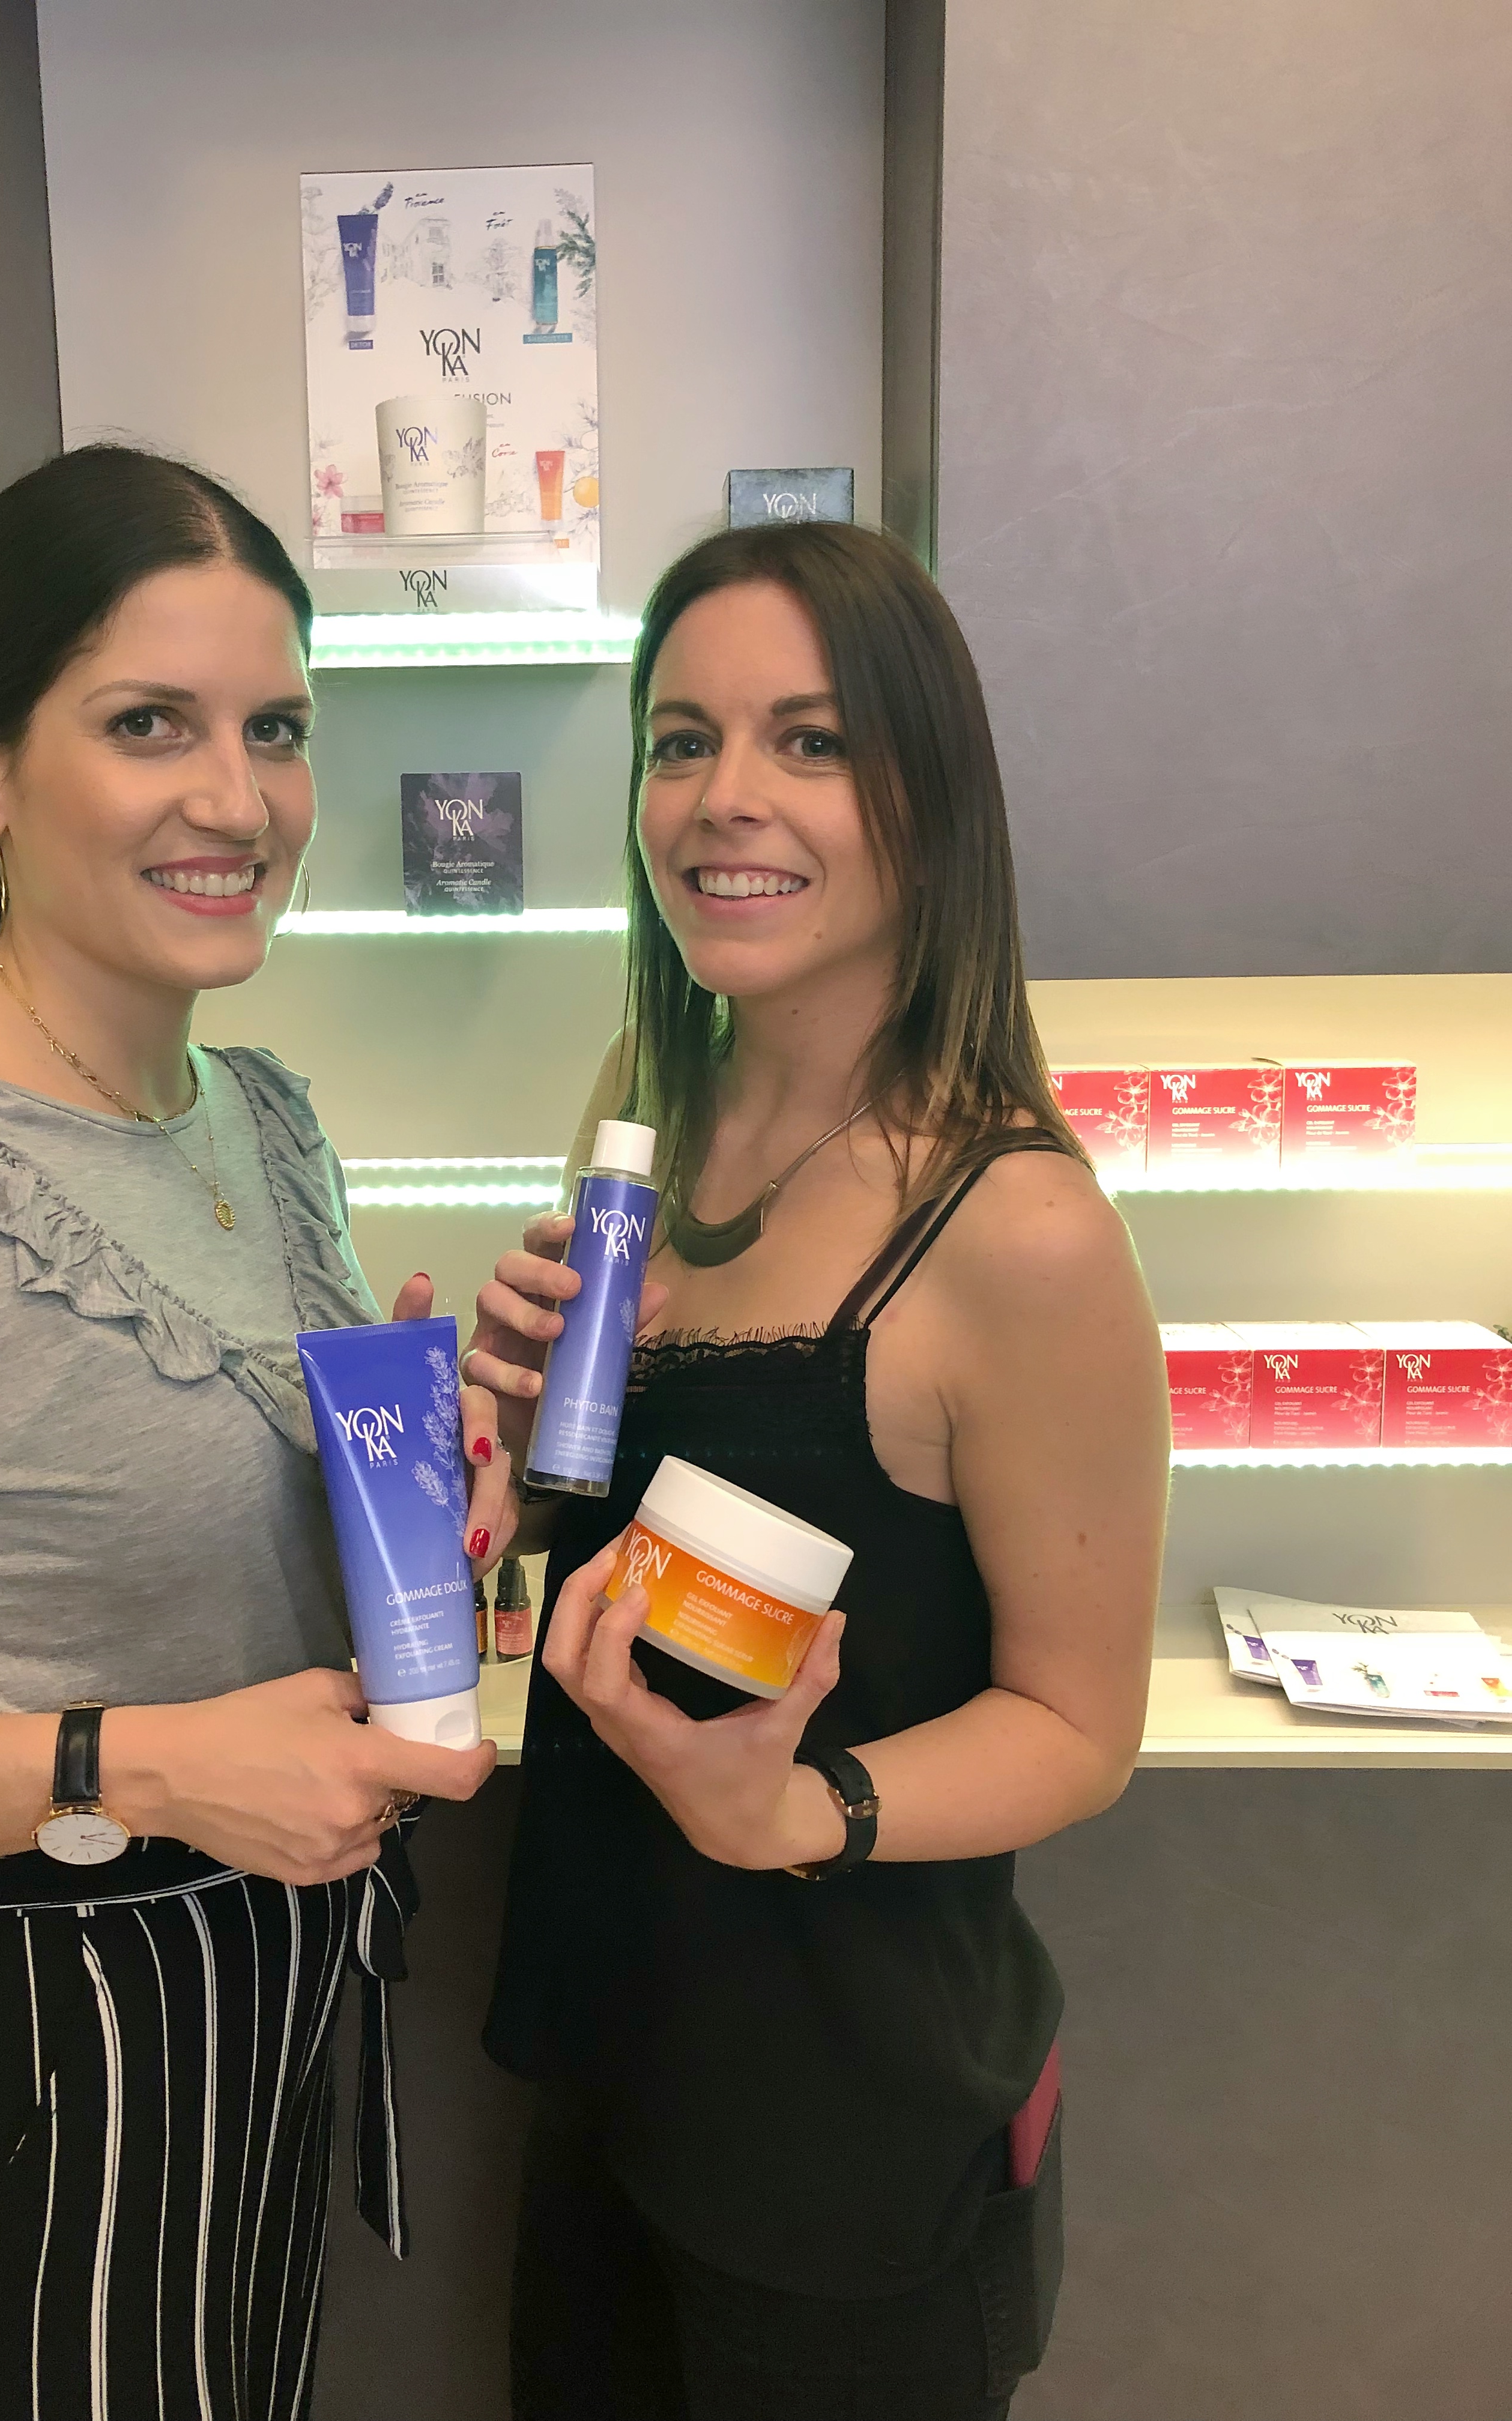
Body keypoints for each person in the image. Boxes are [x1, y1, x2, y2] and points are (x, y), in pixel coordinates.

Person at [0, 444, 514, 2420]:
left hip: (260, 2035)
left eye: (275, 729)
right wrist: (135, 1764)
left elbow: (194, 1570)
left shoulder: (266, 1122)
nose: (237, 800)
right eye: (150, 723)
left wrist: (416, 1507)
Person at [465, 521, 1170, 2420]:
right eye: (682, 741)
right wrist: (514, 1460)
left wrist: (798, 1811)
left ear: (929, 798)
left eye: (811, 741)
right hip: (612, 2057)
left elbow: (1079, 1727)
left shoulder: (1013, 1228)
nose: (726, 798)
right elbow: (615, 1537)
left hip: (852, 2138)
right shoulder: (647, 1103)